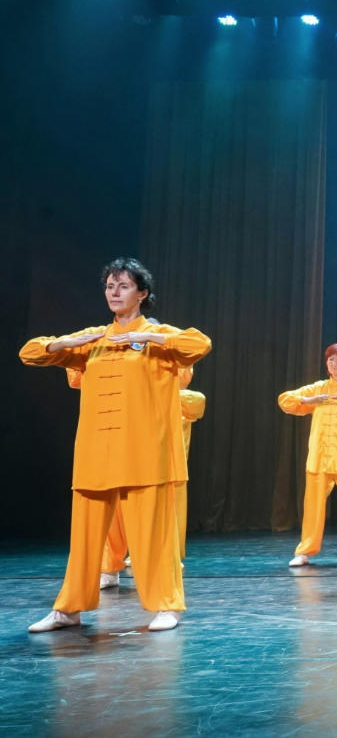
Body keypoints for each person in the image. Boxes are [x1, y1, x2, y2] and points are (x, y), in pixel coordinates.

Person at [22, 257, 210, 632]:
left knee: (154, 538)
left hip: (145, 454)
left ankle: (167, 605)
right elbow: (29, 352)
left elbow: (199, 343)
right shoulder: (94, 338)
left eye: (123, 286)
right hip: (96, 454)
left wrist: (151, 338)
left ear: (142, 294)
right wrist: (67, 343)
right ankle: (69, 609)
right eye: (110, 286)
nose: (114, 292)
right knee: (84, 539)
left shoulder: (159, 338)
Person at [86, 364, 206, 588]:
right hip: (123, 452)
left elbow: (186, 383)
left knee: (159, 514)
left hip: (160, 464)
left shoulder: (180, 396)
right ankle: (110, 568)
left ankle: (161, 562)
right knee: (114, 512)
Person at [278, 344, 337, 567]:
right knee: (312, 507)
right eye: (331, 360)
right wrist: (307, 401)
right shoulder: (319, 388)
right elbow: (285, 399)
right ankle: (305, 550)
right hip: (319, 458)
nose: (335, 364)